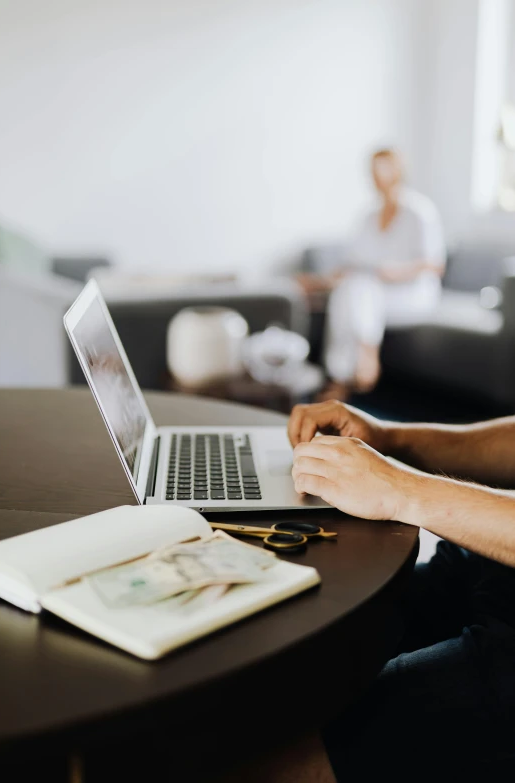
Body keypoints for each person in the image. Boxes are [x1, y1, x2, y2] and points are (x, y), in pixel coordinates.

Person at [218, 399, 515, 780]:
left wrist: (401, 489)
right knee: (290, 645)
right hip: (495, 563)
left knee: (280, 764)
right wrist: (390, 438)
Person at [304, 148, 446, 399]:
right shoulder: (368, 216)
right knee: (348, 290)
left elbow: (435, 265)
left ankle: (363, 360)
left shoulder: (420, 211)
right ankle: (343, 374)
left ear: (399, 170)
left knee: (360, 289)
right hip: (371, 289)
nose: (377, 175)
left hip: (412, 291)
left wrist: (397, 271)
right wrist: (322, 281)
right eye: (373, 169)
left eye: (383, 168)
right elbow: (353, 264)